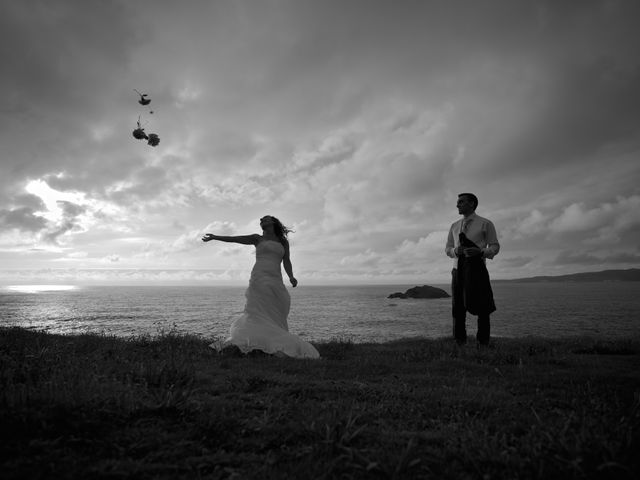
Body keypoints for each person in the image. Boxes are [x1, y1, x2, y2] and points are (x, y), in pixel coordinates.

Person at [202, 215, 320, 359]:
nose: (261, 221)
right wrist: (215, 237)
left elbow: (286, 260)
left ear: (273, 222)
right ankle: (255, 342)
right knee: (257, 310)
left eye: (265, 219)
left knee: (277, 307)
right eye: (260, 221)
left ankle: (270, 339)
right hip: (259, 276)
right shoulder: (257, 238)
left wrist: (291, 276)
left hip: (275, 279)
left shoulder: (283, 241)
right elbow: (235, 239)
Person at [445, 193, 500, 346]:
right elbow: (448, 249)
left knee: (483, 307)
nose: (457, 205)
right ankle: (459, 342)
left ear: (472, 204)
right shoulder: (454, 226)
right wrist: (456, 251)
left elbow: (495, 246)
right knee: (457, 308)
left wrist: (481, 252)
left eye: (461, 202)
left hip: (477, 270)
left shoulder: (485, 223)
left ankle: (483, 343)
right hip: (457, 271)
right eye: (458, 202)